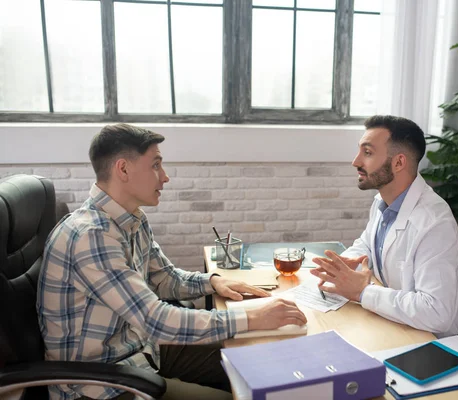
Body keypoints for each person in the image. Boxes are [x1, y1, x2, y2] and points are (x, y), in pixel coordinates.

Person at [37, 123, 307, 400]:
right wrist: (253, 317)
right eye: (155, 165)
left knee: (260, 365)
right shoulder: (91, 236)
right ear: (123, 169)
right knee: (242, 393)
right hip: (100, 382)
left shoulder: (132, 219)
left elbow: (164, 279)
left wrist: (215, 282)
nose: (164, 177)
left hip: (142, 349)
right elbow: (155, 320)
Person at [311, 115, 458, 337]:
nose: (356, 161)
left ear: (398, 163)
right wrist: (349, 264)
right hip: (399, 327)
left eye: (368, 153)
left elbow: (437, 312)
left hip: (443, 343)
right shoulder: (384, 202)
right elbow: (368, 245)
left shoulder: (434, 223)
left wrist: (363, 292)